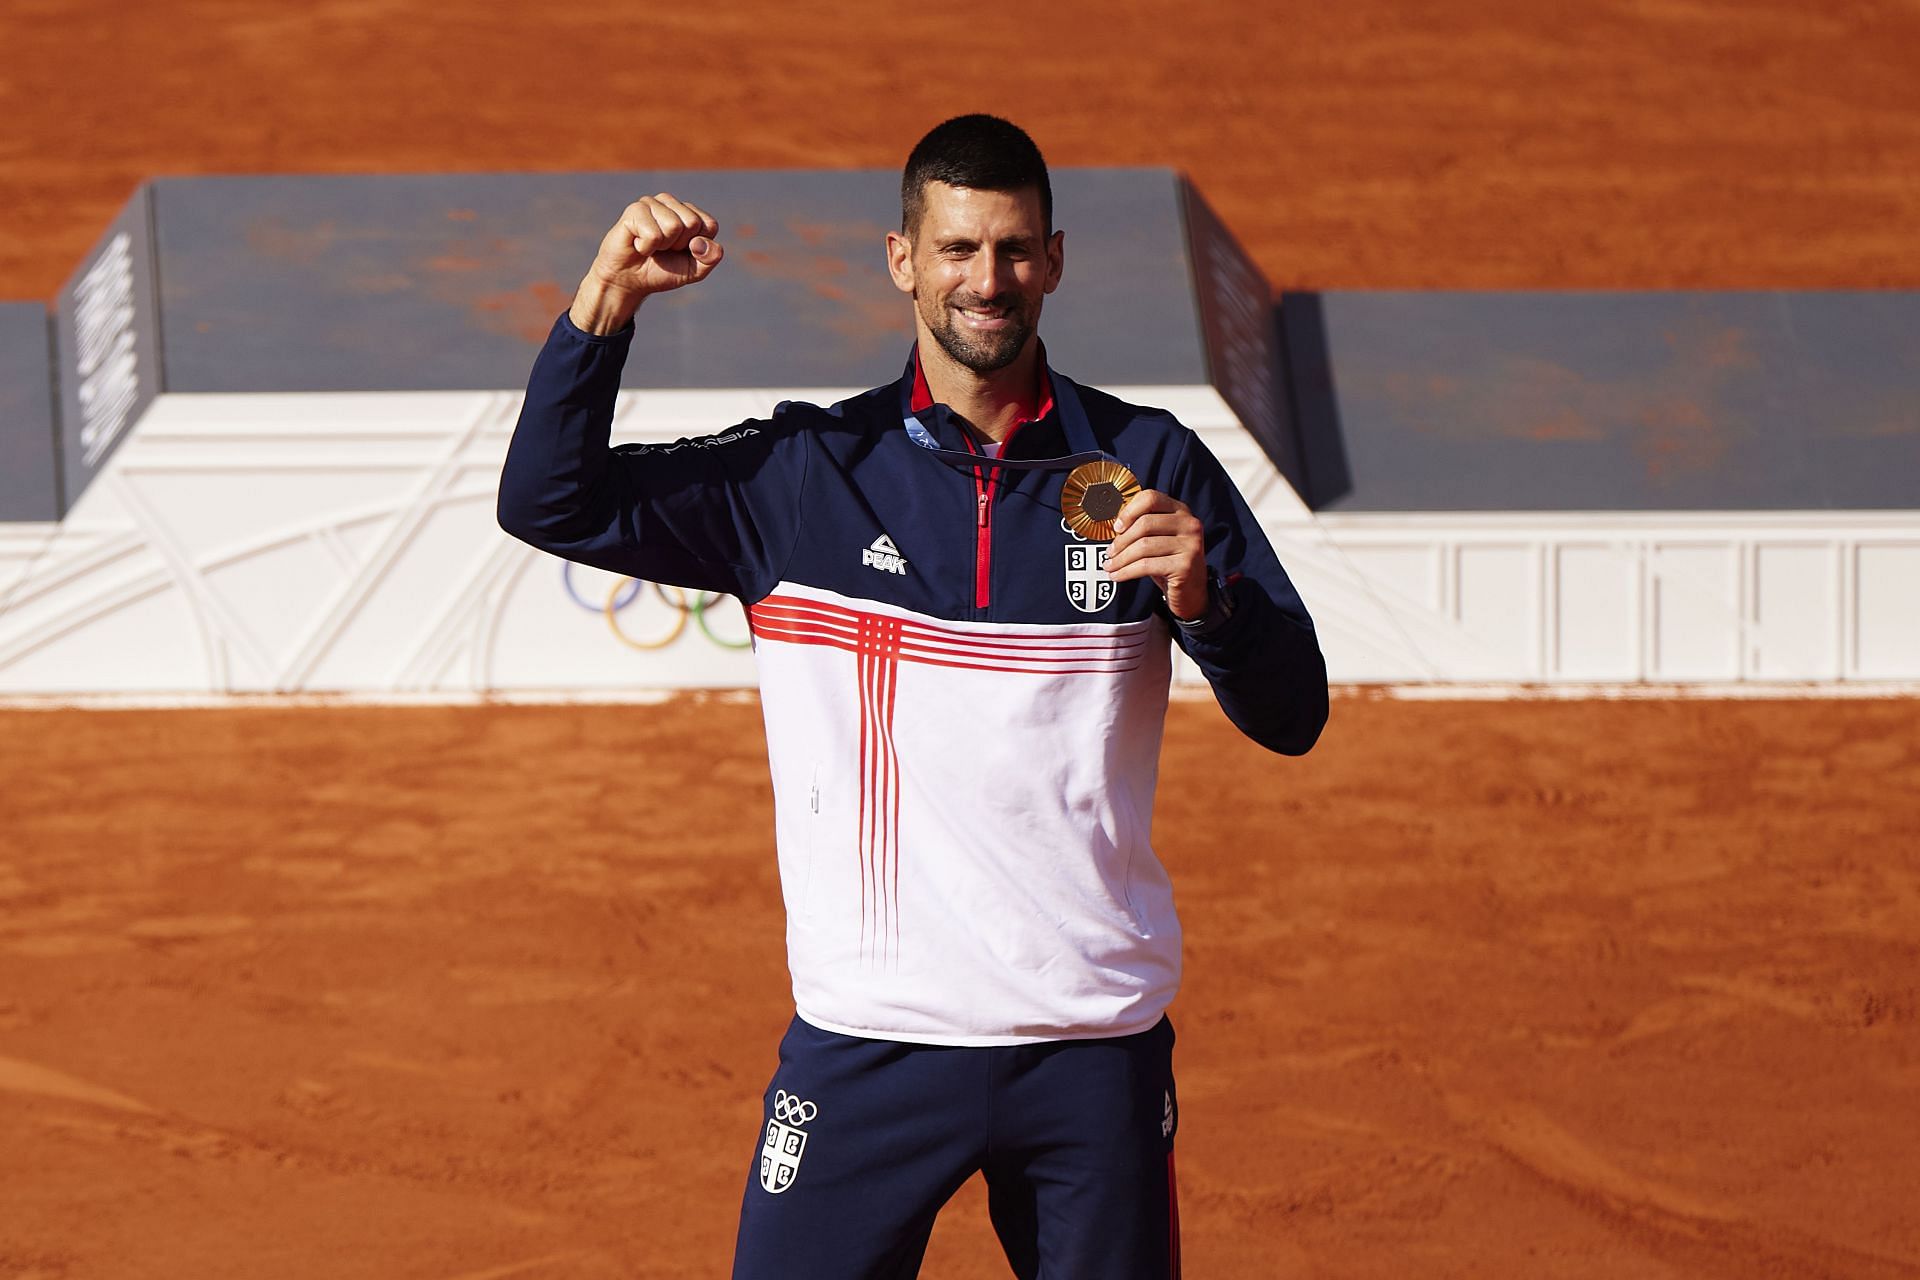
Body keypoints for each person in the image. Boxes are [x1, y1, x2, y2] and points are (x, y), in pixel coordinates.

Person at [496, 114, 1327, 1280]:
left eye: (1014, 249)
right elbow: (549, 502)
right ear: (903, 260)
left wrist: (1207, 600)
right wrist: (601, 310)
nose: (987, 280)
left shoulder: (1150, 466)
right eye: (956, 250)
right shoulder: (801, 477)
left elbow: (1295, 713)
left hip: (1088, 1044)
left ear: (1054, 260)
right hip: (871, 1042)